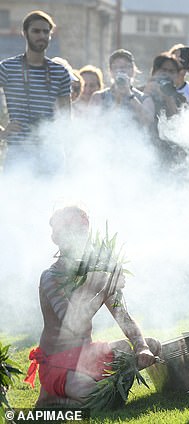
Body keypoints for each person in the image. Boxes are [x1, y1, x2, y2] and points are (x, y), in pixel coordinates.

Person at [24, 206, 159, 407]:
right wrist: (104, 288)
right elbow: (72, 323)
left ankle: (88, 392)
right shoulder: (50, 277)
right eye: (72, 233)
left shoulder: (95, 272)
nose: (79, 239)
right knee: (100, 399)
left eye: (82, 233)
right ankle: (55, 398)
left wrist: (142, 348)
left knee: (152, 344)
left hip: (87, 356)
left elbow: (123, 315)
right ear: (58, 239)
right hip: (60, 364)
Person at [0, 10, 71, 174]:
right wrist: (2, 132)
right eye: (36, 31)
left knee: (52, 199)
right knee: (17, 199)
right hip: (18, 153)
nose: (42, 35)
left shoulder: (60, 72)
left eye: (46, 31)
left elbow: (66, 117)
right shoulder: (7, 68)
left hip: (50, 153)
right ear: (25, 33)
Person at [90, 49, 145, 120]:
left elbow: (147, 120)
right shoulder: (98, 97)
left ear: (132, 70)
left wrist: (129, 94)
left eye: (125, 67)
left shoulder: (142, 98)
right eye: (116, 67)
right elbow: (91, 123)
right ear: (111, 71)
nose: (121, 70)